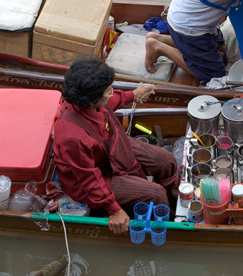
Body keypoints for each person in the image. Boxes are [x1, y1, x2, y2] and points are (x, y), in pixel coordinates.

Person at [53, 57, 178, 235]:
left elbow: (111, 101)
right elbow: (89, 179)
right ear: (91, 100)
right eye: (108, 90)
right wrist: (114, 210)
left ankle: (172, 195)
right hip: (98, 175)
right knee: (155, 194)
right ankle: (169, 224)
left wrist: (133, 94)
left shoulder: (92, 102)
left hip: (111, 146)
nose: (112, 92)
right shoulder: (73, 138)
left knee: (167, 160)